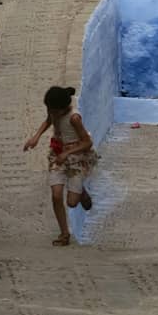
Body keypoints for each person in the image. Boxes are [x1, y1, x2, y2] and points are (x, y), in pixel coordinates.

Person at [22, 85, 97, 246]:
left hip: (76, 158)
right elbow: (49, 121)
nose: (52, 113)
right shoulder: (54, 111)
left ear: (63, 109)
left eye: (55, 111)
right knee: (56, 195)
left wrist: (68, 153)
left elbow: (87, 142)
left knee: (71, 202)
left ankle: (81, 192)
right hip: (58, 156)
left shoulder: (74, 118)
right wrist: (35, 137)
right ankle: (64, 233)